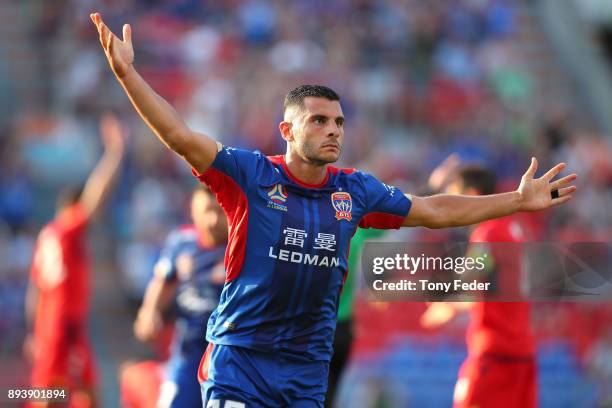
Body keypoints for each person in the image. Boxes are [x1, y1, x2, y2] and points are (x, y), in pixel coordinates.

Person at [89, 12, 576, 407]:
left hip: (306, 372)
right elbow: (179, 136)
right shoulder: (250, 175)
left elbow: (434, 210)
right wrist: (129, 75)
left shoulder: (356, 191)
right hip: (241, 361)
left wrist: (516, 200)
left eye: (339, 122)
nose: (333, 130)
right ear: (287, 131)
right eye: (319, 121)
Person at [24, 113, 125, 408]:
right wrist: (115, 152)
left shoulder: (46, 237)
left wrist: (33, 332)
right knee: (53, 397)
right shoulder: (68, 229)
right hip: (63, 328)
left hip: (55, 326)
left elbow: (36, 291)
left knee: (84, 395)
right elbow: (95, 199)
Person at [421, 165, 537, 408]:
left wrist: (442, 302)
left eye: (454, 196)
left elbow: (469, 281)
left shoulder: (489, 232)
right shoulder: (512, 230)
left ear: (471, 195)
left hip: (495, 357)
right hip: (522, 355)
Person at [121, 185, 227, 408]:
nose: (212, 220)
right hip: (189, 350)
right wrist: (149, 313)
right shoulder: (182, 242)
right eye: (206, 211)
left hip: (228, 355)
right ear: (194, 210)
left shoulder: (240, 247)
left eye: (219, 212)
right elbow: (162, 282)